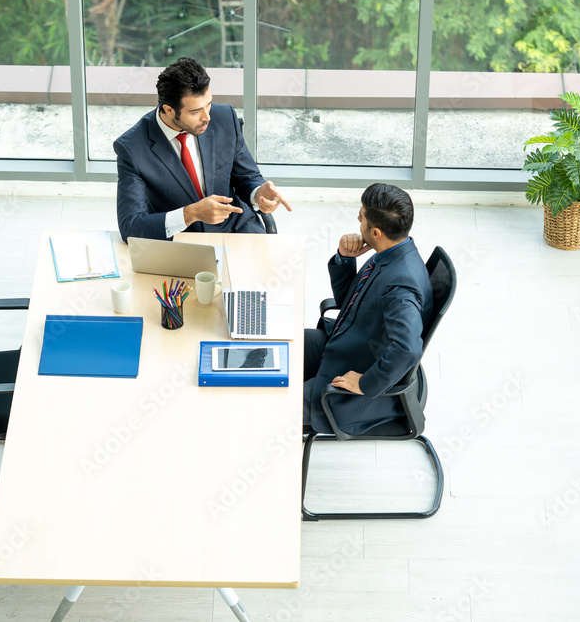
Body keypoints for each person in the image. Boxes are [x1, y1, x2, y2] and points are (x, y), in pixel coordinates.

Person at [113, 57, 291, 241]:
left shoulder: (225, 118)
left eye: (209, 104)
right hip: (183, 240)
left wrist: (259, 194)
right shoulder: (132, 148)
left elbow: (247, 178)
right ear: (169, 110)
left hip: (238, 228)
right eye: (195, 111)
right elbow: (130, 226)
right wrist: (189, 214)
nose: (207, 117)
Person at [304, 183, 433, 435]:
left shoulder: (401, 285)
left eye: (361, 216)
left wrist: (364, 383)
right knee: (278, 348)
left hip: (352, 380)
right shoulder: (390, 252)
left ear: (375, 232)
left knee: (272, 402)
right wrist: (345, 258)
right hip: (344, 342)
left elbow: (406, 349)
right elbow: (351, 302)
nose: (357, 219)